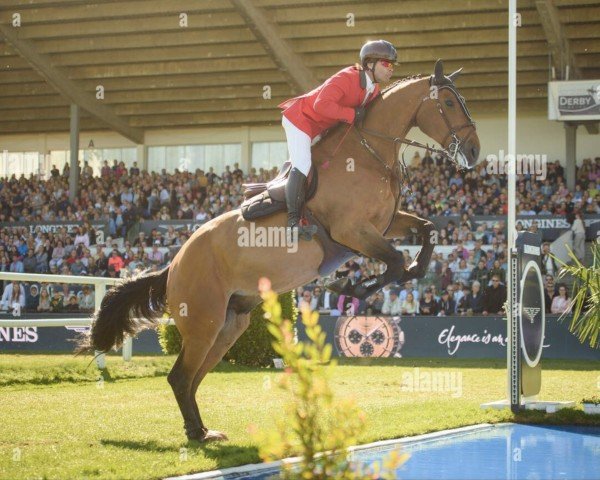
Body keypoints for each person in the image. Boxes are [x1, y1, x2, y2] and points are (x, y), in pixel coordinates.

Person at [278, 39, 396, 240]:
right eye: (386, 63)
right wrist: (352, 114)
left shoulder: (373, 90)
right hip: (300, 120)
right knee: (303, 163)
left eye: (392, 65)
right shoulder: (346, 77)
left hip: (319, 127)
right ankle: (293, 222)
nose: (390, 69)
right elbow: (320, 105)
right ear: (370, 64)